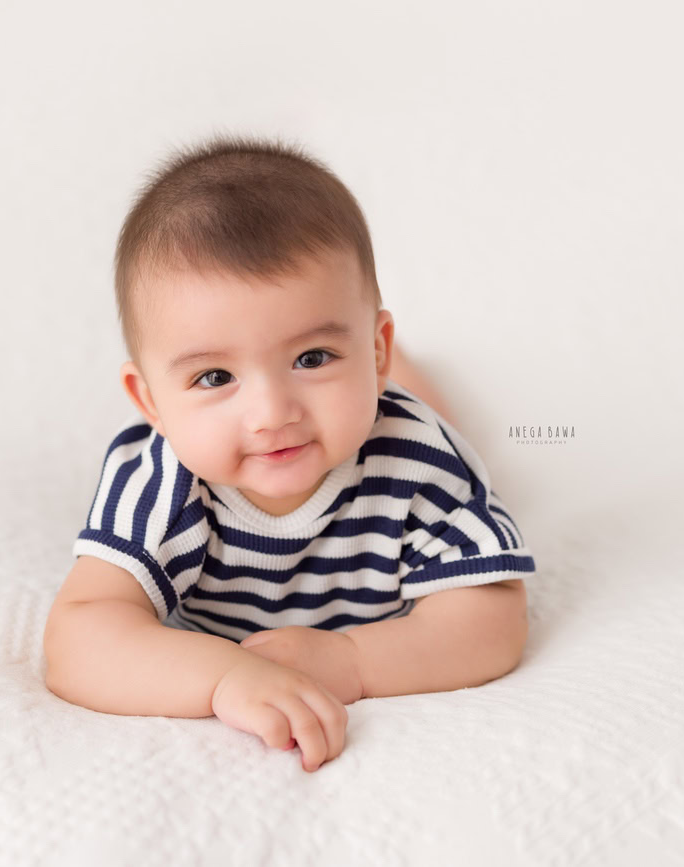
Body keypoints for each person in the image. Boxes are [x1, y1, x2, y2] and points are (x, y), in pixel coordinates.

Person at [43, 134, 536, 773]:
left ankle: (405, 376)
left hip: (389, 415)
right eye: (215, 377)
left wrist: (353, 661)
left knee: (429, 415)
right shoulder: (161, 483)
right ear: (151, 402)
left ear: (375, 350)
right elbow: (79, 638)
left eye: (312, 357)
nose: (272, 413)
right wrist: (224, 677)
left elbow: (494, 617)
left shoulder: (416, 458)